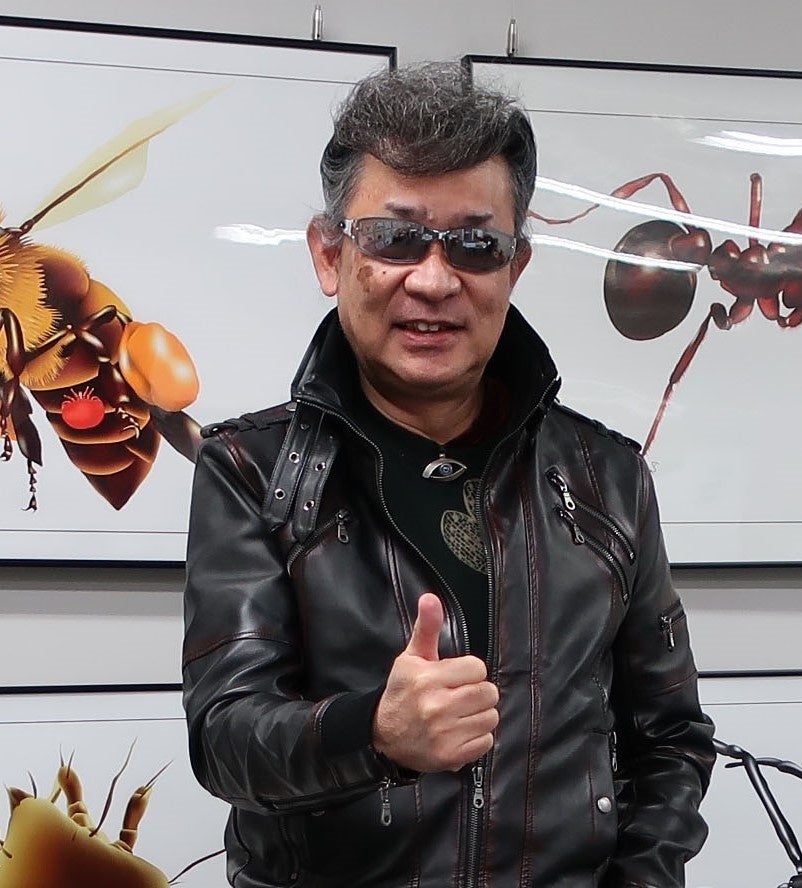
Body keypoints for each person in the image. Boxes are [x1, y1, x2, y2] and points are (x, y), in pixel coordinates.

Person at [182, 61, 715, 888]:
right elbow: (226, 740)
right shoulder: (253, 470)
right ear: (328, 254)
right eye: (393, 238)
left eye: (475, 244)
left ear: (515, 267)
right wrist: (372, 732)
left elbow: (670, 739)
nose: (433, 280)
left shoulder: (606, 477)